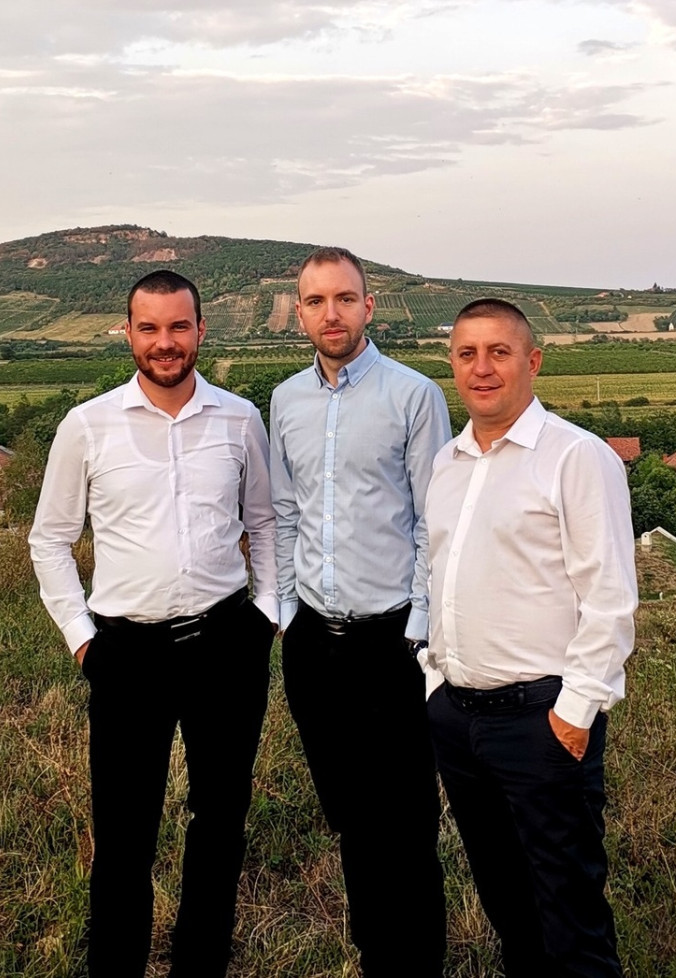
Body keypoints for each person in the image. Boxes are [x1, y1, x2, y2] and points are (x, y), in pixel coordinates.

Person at [28, 270, 278, 978]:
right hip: (126, 653)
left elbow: (264, 522)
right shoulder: (87, 425)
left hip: (226, 644)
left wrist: (267, 612)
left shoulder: (239, 419)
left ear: (200, 330)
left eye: (178, 327)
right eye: (149, 328)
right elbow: (49, 539)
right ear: (129, 333)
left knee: (220, 822)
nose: (164, 343)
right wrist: (83, 640)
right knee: (123, 834)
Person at [424, 298, 638, 978]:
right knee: (508, 909)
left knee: (570, 922)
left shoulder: (575, 457)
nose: (481, 368)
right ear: (452, 364)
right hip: (458, 719)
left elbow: (609, 596)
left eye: (499, 352)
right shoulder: (447, 464)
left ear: (532, 361)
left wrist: (574, 714)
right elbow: (438, 575)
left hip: (541, 722)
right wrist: (434, 684)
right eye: (466, 354)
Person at [269, 246, 451, 977]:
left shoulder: (414, 396)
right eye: (316, 301)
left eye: (345, 298)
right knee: (350, 816)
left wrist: (417, 632)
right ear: (299, 313)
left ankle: (418, 964)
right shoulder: (285, 401)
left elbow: (433, 523)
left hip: (391, 641)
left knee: (407, 823)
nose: (331, 313)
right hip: (314, 643)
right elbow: (285, 511)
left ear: (368, 306)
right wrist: (287, 610)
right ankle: (377, 955)